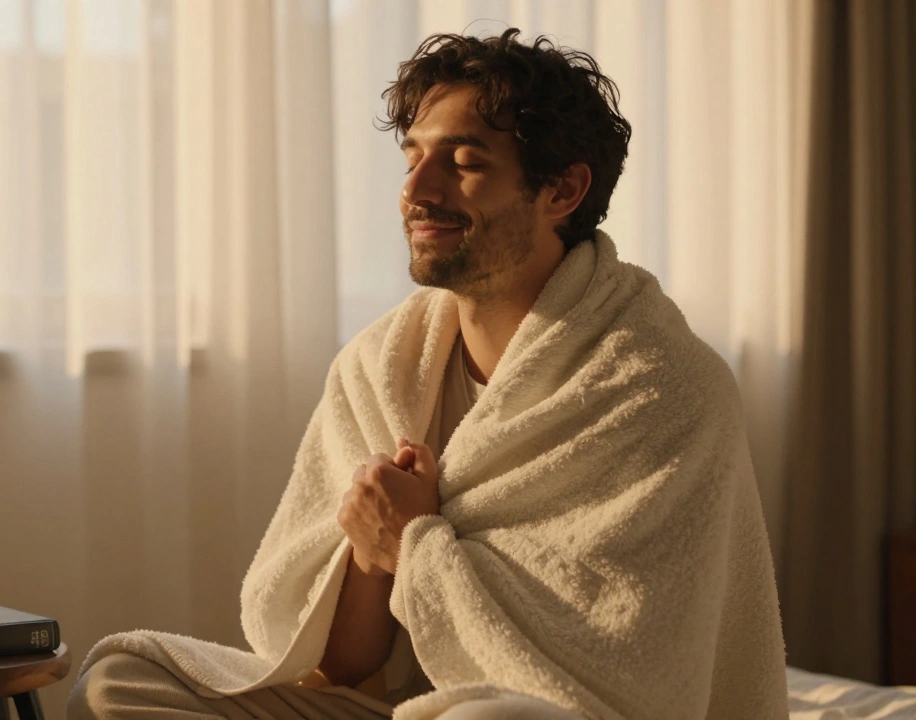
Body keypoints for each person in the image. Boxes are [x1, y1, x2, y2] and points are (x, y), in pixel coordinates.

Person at [68, 28, 788, 720]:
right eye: (412, 156)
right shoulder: (381, 371)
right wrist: (374, 550)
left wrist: (411, 540)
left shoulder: (659, 386)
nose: (417, 189)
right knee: (117, 684)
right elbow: (339, 668)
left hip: (541, 714)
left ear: (563, 190)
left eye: (463, 162)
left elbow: (622, 680)